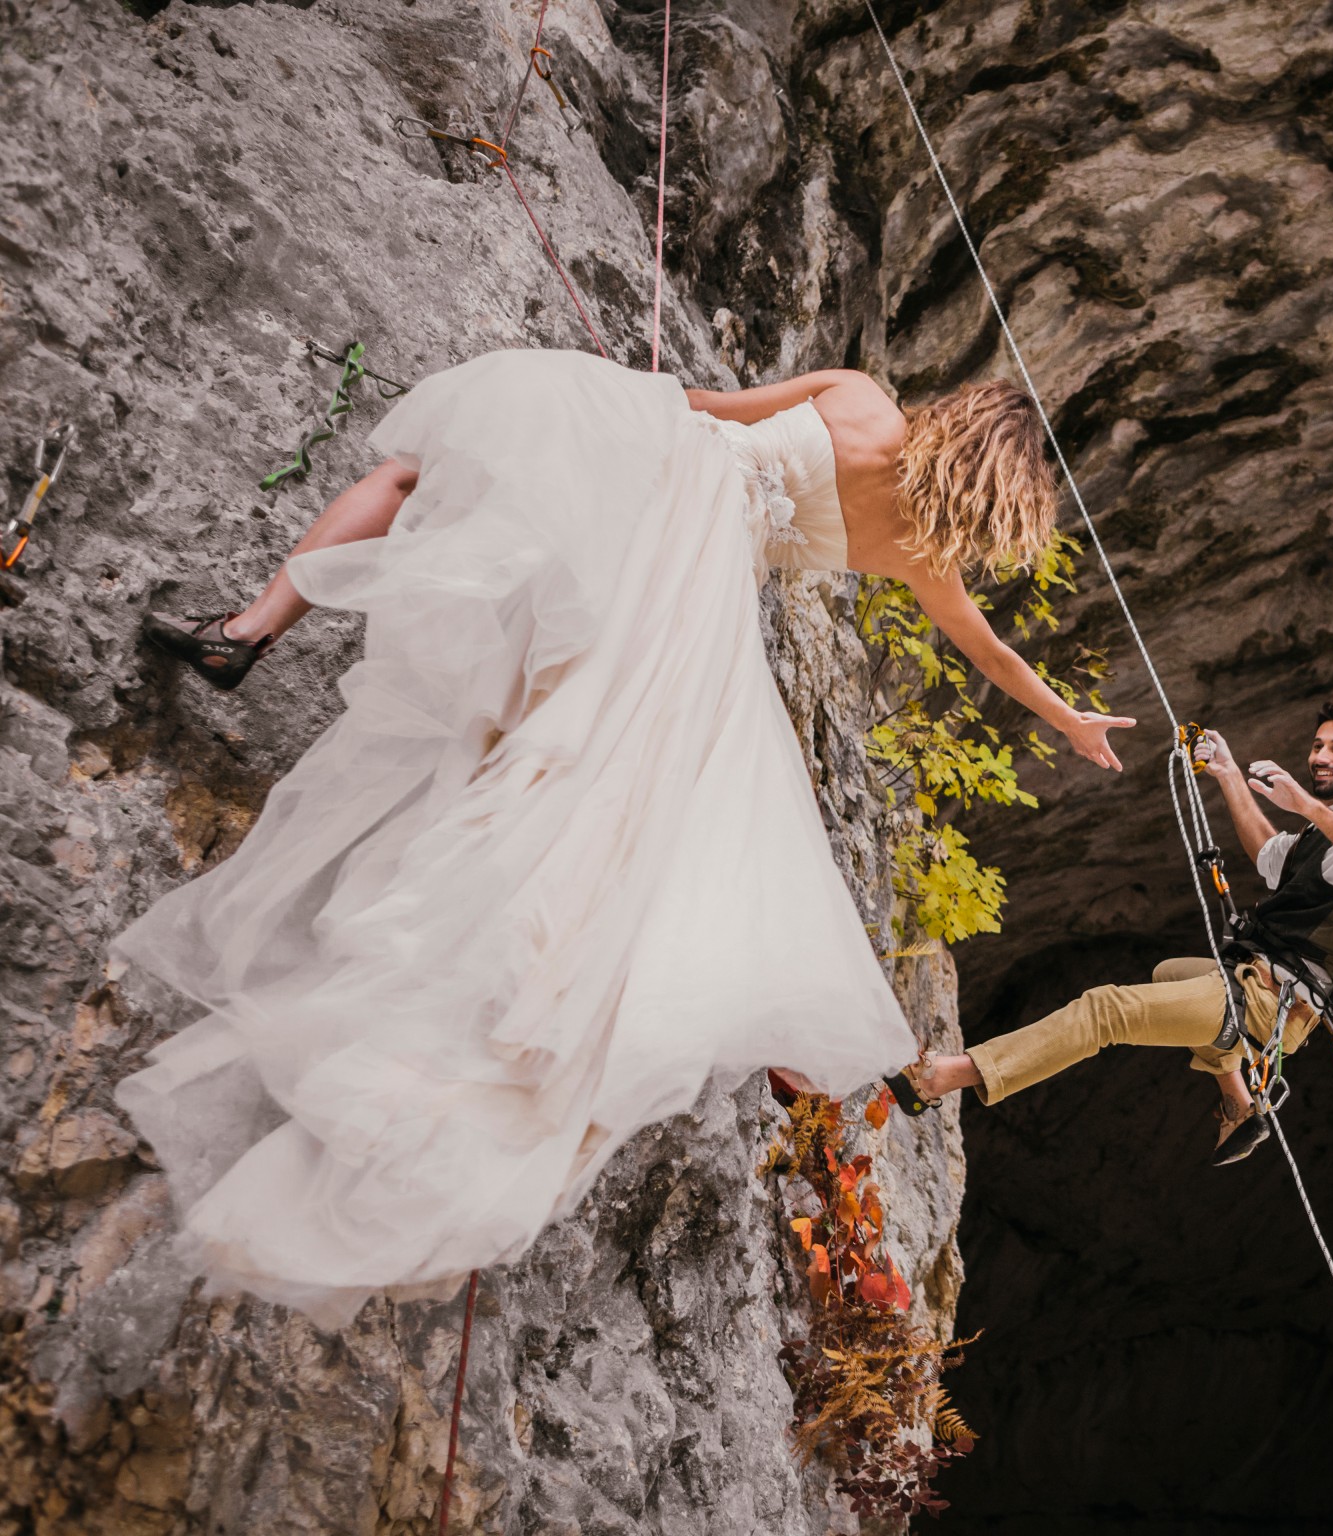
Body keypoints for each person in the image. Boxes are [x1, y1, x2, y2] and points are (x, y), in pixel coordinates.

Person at [115, 349, 1133, 1326]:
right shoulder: (916, 550)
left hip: (651, 522)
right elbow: (992, 651)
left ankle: (249, 629)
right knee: (560, 768)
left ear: (959, 421)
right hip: (692, 621)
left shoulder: (862, 401)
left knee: (422, 468)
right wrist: (1070, 722)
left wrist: (598, 411)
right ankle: (480, 974)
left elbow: (696, 406)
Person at [891, 704, 1333, 1165]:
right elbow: (1271, 856)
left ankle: (942, 1077)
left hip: (1270, 1003)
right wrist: (1227, 774)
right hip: (1257, 983)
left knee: (1104, 1010)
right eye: (1318, 745)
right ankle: (1240, 1102)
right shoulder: (1320, 834)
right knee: (1169, 973)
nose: (1320, 756)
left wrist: (1309, 807)